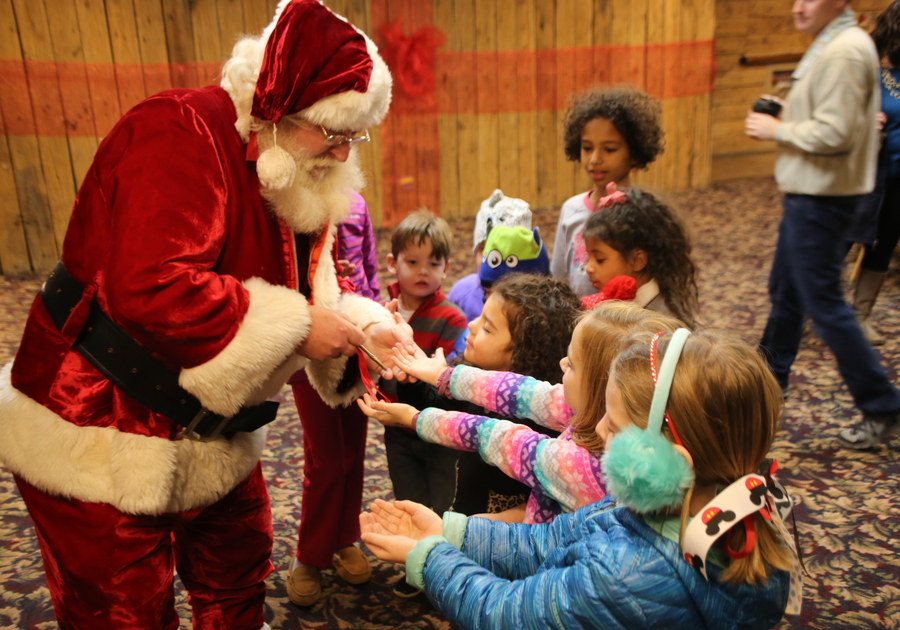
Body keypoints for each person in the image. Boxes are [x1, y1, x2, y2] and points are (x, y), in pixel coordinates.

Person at [0, 1, 409, 628]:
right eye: (334, 132)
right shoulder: (176, 129)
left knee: (239, 579)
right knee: (123, 612)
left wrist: (365, 328)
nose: (344, 149)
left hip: (213, 430)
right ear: (279, 105)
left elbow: (318, 280)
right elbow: (152, 287)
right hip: (98, 423)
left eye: (354, 134)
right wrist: (301, 325)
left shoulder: (295, 164)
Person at [359, 330, 800, 629]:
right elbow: (548, 543)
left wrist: (431, 558)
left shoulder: (626, 576)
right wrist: (450, 532)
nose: (600, 429)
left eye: (616, 423)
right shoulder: (695, 506)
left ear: (671, 458)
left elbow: (506, 615)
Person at [361, 301, 680, 525]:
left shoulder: (584, 468)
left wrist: (414, 419)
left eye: (572, 364)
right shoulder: (602, 411)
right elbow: (518, 391)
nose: (561, 365)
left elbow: (494, 436)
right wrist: (442, 375)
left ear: (600, 388)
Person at [745, 0, 900, 449]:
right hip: (812, 196)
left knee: (825, 306)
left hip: (824, 199)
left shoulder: (845, 50)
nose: (798, 7)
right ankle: (769, 381)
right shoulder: (833, 43)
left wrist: (778, 131)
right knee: (787, 294)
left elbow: (836, 134)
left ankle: (882, 404)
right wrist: (786, 114)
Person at [285, 193, 382, 606]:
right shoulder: (292, 204)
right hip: (312, 345)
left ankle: (344, 539)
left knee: (352, 452)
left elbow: (369, 268)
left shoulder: (356, 204)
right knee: (325, 458)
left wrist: (379, 314)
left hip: (358, 340)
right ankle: (310, 554)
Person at [381, 210, 467, 523]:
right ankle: (414, 566)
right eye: (413, 262)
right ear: (393, 263)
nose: (423, 272)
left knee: (444, 507)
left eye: (433, 264)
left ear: (446, 268)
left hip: (440, 433)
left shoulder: (452, 319)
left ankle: (443, 567)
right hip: (399, 432)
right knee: (409, 503)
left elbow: (448, 385)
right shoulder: (383, 314)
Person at [551, 85, 666, 297]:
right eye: (587, 148)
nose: (595, 159)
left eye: (610, 149)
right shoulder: (571, 210)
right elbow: (559, 280)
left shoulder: (645, 213)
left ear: (634, 153)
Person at [848, 0, 900, 345]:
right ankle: (807, 307)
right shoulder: (874, 73)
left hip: (899, 185)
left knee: (884, 244)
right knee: (842, 241)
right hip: (868, 179)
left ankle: (860, 316)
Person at [581, 185, 699, 328]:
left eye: (600, 260)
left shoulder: (659, 323)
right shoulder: (612, 304)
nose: (588, 268)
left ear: (638, 260)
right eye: (588, 258)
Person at [447, 189, 533, 322]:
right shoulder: (462, 291)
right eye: (484, 250)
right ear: (475, 251)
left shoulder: (534, 300)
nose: (492, 265)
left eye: (506, 254)